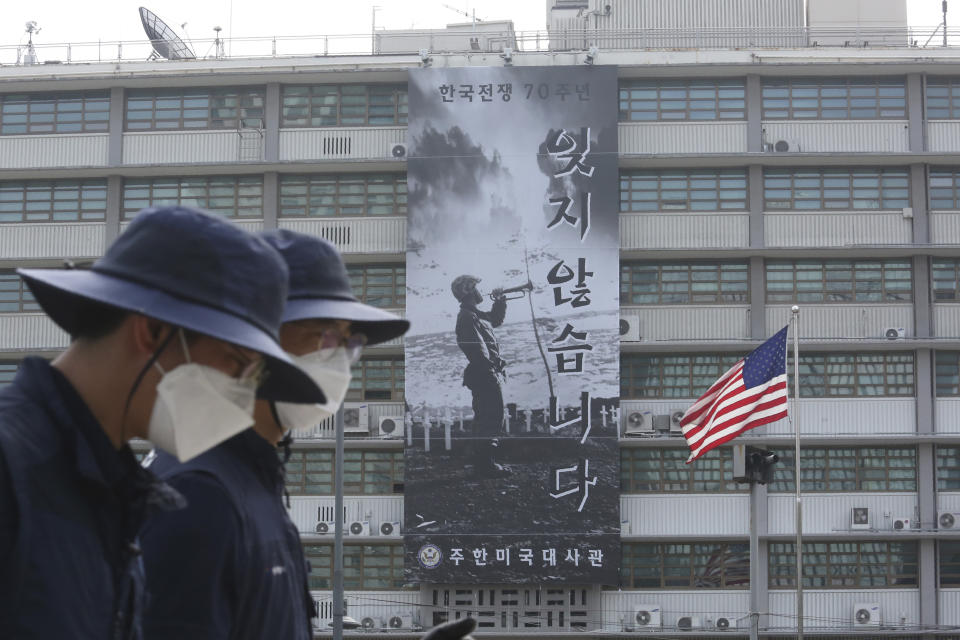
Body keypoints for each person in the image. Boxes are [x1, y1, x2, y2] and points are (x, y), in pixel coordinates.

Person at [0, 206, 326, 639]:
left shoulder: (114, 496)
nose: (243, 393)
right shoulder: (13, 469)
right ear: (151, 331)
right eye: (236, 363)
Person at [140, 229, 409, 639]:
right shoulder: (198, 492)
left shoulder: (253, 478)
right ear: (252, 341)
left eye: (348, 342)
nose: (339, 358)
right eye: (324, 336)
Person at [451, 274, 509, 476]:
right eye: (475, 287)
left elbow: (495, 320)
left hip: (485, 372)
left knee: (486, 417)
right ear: (469, 291)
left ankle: (483, 463)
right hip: (485, 373)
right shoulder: (467, 316)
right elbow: (478, 350)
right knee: (491, 418)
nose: (479, 291)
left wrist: (500, 301)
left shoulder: (473, 313)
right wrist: (491, 370)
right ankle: (486, 465)